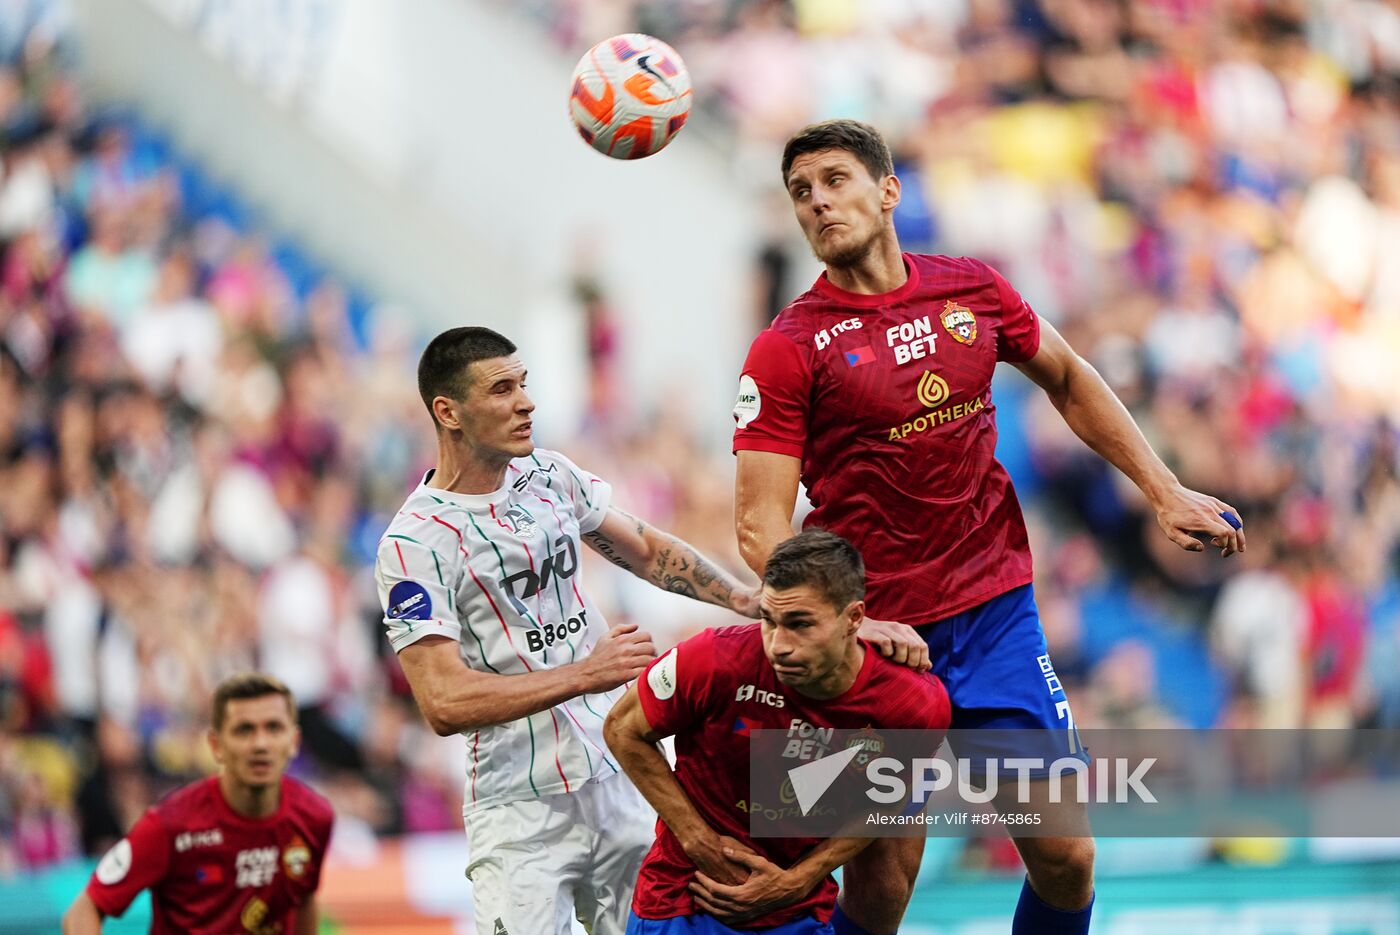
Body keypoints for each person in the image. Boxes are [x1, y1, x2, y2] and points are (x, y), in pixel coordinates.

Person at [731, 119, 1247, 935]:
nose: (819, 202)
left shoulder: (969, 289)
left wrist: (1164, 487)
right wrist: (842, 624)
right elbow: (759, 525)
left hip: (994, 610)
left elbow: (1070, 377)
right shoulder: (788, 349)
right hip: (875, 638)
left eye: (835, 179)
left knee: (1067, 855)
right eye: (802, 191)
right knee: (883, 882)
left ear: (889, 190)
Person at [376, 326, 762, 935]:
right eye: (502, 389)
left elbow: (645, 548)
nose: (526, 401)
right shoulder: (413, 544)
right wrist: (587, 673)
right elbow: (444, 701)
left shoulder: (549, 475)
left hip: (622, 774)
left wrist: (745, 597)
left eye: (523, 383)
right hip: (517, 807)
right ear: (447, 412)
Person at [604, 529, 951, 934]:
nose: (779, 645)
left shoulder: (913, 705)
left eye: (800, 624)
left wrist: (800, 879)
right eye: (770, 620)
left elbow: (888, 799)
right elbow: (621, 729)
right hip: (684, 900)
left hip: (797, 913)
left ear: (854, 618)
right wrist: (697, 840)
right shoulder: (714, 660)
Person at [62, 673, 334, 935]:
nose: (260, 744)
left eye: (273, 728)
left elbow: (303, 899)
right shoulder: (169, 825)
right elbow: (83, 910)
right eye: (244, 730)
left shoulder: (315, 817)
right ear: (216, 745)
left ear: (294, 741)